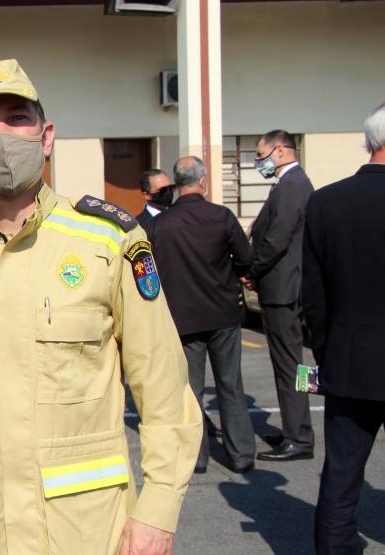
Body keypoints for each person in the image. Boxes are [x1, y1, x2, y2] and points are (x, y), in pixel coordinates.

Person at [0, 59, 200, 554]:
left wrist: (158, 512)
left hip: (84, 530)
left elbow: (162, 384)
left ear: (46, 136)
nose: (2, 136)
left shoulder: (108, 240)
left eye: (17, 118)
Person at [304, 103, 385, 553]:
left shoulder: (325, 201)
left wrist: (325, 352)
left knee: (341, 473)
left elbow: (313, 296)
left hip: (348, 361)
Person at [148, 156, 256, 474]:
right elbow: (245, 258)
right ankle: (241, 454)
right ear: (203, 181)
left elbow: (150, 268)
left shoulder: (161, 224)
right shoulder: (221, 216)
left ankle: (196, 456)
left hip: (183, 316)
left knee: (190, 390)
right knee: (230, 385)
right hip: (223, 312)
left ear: (176, 184)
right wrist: (235, 271)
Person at [242, 129, 315, 462]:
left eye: (261, 155)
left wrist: (253, 271)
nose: (259, 161)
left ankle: (299, 437)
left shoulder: (292, 185)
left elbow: (277, 239)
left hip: (284, 290)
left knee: (290, 366)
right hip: (279, 288)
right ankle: (293, 429)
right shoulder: (287, 184)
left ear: (282, 151)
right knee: (287, 364)